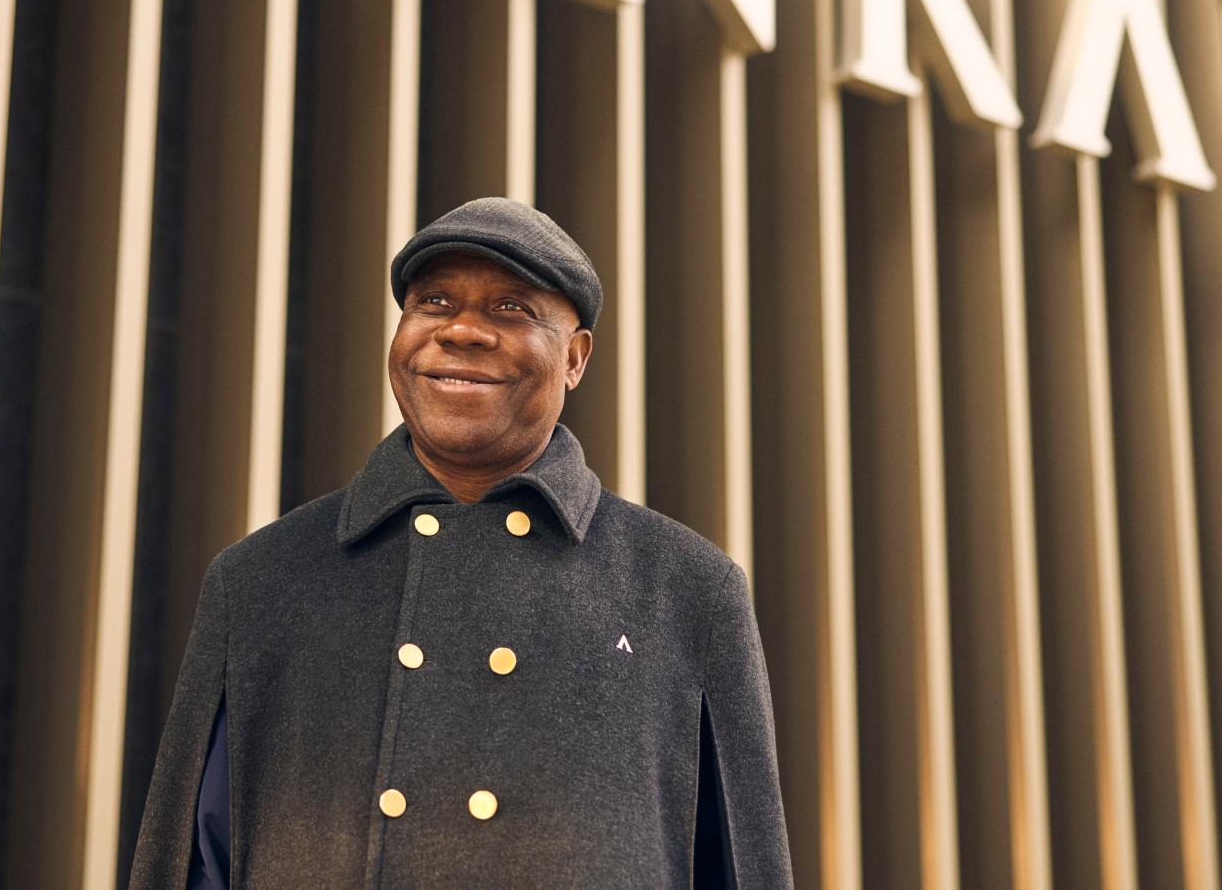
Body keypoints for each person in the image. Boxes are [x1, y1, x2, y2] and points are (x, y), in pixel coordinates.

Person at [129, 197, 792, 888]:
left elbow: (746, 868)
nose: (463, 330)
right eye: (434, 302)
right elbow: (189, 865)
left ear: (575, 357)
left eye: (511, 308)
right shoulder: (259, 582)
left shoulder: (687, 589)